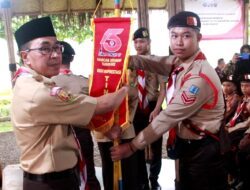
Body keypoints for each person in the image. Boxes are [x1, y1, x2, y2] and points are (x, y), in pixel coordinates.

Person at [111, 11, 229, 190]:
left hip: (204, 153)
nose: (179, 42)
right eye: (174, 36)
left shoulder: (199, 77)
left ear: (199, 37)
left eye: (186, 36)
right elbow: (155, 61)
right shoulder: (182, 62)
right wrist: (125, 60)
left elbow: (168, 117)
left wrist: (133, 147)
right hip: (190, 147)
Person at [11, 16, 129, 190]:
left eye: (57, 48)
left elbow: (67, 117)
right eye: (45, 49)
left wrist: (104, 128)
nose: (55, 54)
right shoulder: (39, 92)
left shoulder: (33, 83)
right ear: (25, 57)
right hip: (51, 183)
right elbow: (104, 105)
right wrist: (125, 86)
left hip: (53, 179)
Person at [52, 41, 101, 190]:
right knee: (89, 174)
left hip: (57, 137)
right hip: (83, 133)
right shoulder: (85, 82)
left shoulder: (47, 83)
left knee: (64, 177)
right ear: (71, 59)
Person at [93, 65, 141, 189]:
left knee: (129, 172)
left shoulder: (125, 80)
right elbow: (90, 106)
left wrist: (124, 124)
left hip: (125, 132)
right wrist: (106, 129)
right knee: (109, 169)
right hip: (104, 134)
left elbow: (135, 98)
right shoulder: (94, 79)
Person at [132, 27, 166, 190]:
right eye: (136, 42)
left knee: (155, 144)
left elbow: (163, 90)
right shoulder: (130, 62)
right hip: (136, 108)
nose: (139, 45)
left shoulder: (156, 62)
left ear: (149, 43)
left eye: (142, 41)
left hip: (153, 106)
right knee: (137, 143)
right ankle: (142, 180)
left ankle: (154, 178)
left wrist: (157, 109)